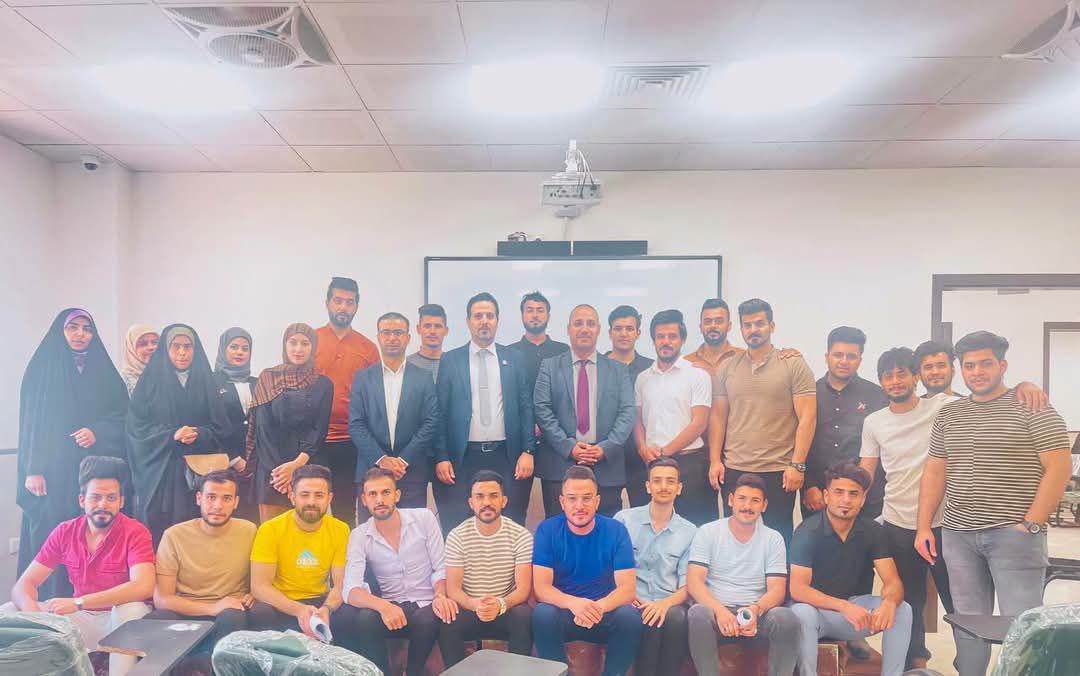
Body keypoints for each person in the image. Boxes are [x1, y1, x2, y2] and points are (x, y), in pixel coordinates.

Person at [916, 331, 1071, 676]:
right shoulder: (949, 414)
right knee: (968, 624)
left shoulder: (1032, 406)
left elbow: (1059, 467)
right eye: (969, 365)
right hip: (958, 535)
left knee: (1024, 625)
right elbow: (935, 472)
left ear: (1002, 365)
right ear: (961, 369)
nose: (977, 372)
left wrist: (1031, 522)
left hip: (1013, 535)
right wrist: (924, 525)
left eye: (985, 363)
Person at [6, 456, 154, 676]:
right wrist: (35, 615)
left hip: (121, 619)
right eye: (96, 497)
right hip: (84, 618)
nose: (103, 504)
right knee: (9, 611)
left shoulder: (135, 531)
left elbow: (143, 586)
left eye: (111, 498)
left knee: (130, 609)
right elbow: (24, 585)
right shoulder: (65, 531)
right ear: (82, 500)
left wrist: (79, 602)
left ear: (121, 502)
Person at [18, 309, 129, 599]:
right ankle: (45, 602)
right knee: (52, 531)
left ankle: (87, 599)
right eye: (73, 328)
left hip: (90, 470)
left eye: (87, 328)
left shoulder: (103, 370)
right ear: (61, 331)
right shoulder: (42, 368)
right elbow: (31, 421)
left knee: (88, 530)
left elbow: (123, 415)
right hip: (52, 470)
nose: (81, 334)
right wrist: (33, 469)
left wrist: (97, 431)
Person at [789, 463, 912, 676]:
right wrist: (843, 606)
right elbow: (798, 589)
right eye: (839, 492)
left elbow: (893, 582)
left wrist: (889, 603)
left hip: (855, 613)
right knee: (801, 612)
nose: (846, 500)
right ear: (826, 496)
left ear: (863, 499)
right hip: (818, 614)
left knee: (903, 609)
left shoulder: (873, 531)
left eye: (853, 494)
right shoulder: (807, 531)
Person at [711, 298, 816, 544]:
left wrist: (798, 465)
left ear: (772, 326)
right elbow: (718, 417)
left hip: (778, 470)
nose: (753, 330)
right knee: (735, 538)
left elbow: (808, 417)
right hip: (735, 467)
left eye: (759, 323)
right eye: (747, 325)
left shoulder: (793, 363)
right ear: (740, 329)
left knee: (777, 539)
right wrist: (715, 460)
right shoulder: (727, 367)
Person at [434, 292, 535, 532]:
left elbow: (526, 407)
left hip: (506, 456)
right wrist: (441, 456)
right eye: (478, 316)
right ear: (468, 321)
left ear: (497, 320)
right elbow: (440, 413)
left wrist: (528, 450)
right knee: (459, 525)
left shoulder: (515, 359)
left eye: (490, 316)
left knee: (510, 523)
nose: (484, 321)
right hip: (463, 458)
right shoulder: (450, 360)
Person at [336, 468, 452, 676]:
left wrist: (440, 595)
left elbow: (440, 567)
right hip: (392, 606)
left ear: (397, 495)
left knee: (429, 618)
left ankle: (413, 672)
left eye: (386, 492)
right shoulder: (359, 535)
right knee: (365, 618)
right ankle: (380, 673)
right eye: (373, 494)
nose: (380, 500)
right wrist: (383, 606)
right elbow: (350, 590)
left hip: (427, 603)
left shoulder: (424, 518)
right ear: (364, 500)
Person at [146, 470, 269, 662]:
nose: (218, 506)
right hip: (186, 609)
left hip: (230, 610)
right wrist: (212, 608)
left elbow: (263, 575)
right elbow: (162, 598)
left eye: (226, 498)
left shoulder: (249, 530)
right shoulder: (174, 535)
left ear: (236, 502)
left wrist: (255, 592)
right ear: (199, 498)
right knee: (154, 621)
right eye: (211, 497)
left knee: (234, 617)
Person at [532, 466, 643, 676]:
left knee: (629, 616)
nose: (579, 506)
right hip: (566, 613)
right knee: (542, 613)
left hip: (603, 612)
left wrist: (597, 608)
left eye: (587, 498)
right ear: (562, 502)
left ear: (597, 501)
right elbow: (541, 588)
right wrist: (574, 604)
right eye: (572, 498)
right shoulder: (547, 530)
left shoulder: (616, 530)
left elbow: (627, 590)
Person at [127, 323, 232, 544]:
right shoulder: (150, 382)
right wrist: (171, 435)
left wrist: (199, 433)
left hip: (198, 472)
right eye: (176, 346)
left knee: (196, 534)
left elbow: (222, 428)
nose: (182, 352)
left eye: (188, 346)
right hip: (161, 473)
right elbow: (136, 428)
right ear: (166, 349)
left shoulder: (206, 381)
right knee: (160, 533)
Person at [686, 473, 800, 676]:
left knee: (786, 618)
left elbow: (777, 589)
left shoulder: (773, 538)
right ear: (731, 500)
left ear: (764, 505)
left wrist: (755, 610)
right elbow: (694, 582)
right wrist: (720, 611)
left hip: (756, 613)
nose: (747, 506)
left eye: (755, 500)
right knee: (698, 613)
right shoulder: (708, 532)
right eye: (742, 498)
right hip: (717, 612)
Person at [535, 304, 636, 518]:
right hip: (560, 465)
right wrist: (569, 447)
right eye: (578, 323)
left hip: (606, 468)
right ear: (568, 329)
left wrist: (605, 448)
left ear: (598, 329)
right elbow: (542, 410)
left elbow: (627, 412)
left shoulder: (618, 370)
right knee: (560, 531)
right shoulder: (549, 367)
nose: (584, 329)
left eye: (590, 324)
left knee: (605, 530)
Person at [439, 470, 534, 667]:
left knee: (524, 616)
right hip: (470, 607)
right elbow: (453, 589)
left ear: (504, 501)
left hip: (506, 607)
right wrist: (474, 604)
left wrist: (500, 604)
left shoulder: (521, 535)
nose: (486, 502)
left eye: (493, 496)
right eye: (479, 497)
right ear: (471, 502)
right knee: (448, 619)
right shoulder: (457, 536)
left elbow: (523, 589)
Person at [248, 464, 351, 641]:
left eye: (319, 495)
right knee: (260, 613)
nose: (311, 502)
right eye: (304, 495)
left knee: (354, 614)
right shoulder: (270, 529)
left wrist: (327, 609)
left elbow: (341, 584)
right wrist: (298, 610)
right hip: (281, 602)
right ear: (292, 496)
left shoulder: (340, 529)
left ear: (329, 498)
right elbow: (259, 587)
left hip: (320, 601)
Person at [614, 458, 696, 676]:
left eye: (670, 481)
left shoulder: (690, 531)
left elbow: (688, 585)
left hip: (669, 602)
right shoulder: (624, 520)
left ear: (679, 488)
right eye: (657, 481)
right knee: (646, 618)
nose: (663, 487)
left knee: (674, 618)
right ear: (648, 486)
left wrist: (662, 605)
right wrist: (630, 596)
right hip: (630, 599)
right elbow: (609, 569)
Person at [351, 312, 439, 512]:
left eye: (398, 332)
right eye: (386, 332)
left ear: (408, 337)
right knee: (371, 530)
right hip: (371, 472)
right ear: (378, 337)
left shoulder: (423, 377)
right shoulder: (362, 378)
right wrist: (381, 460)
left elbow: (431, 421)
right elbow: (356, 424)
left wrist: (403, 460)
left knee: (413, 529)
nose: (392, 338)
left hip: (411, 472)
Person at [634, 309, 714, 526]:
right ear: (653, 340)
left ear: (682, 339)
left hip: (689, 464)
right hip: (651, 463)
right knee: (654, 526)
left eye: (672, 336)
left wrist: (664, 452)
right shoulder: (643, 379)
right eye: (660, 337)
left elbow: (699, 423)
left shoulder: (698, 375)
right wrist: (642, 448)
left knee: (692, 527)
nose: (666, 342)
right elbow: (637, 420)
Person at [247, 324, 334, 522]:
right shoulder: (268, 378)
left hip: (309, 469)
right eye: (293, 342)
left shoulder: (323, 384)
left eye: (305, 343)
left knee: (311, 537)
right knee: (274, 536)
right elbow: (263, 430)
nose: (298, 349)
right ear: (284, 345)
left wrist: (296, 466)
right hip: (272, 475)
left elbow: (319, 429)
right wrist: (281, 475)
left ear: (313, 347)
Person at [803, 327, 887, 521]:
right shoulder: (808, 394)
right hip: (817, 495)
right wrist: (808, 485)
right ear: (827, 357)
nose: (844, 361)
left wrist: (863, 492)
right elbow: (797, 442)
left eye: (851, 356)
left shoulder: (877, 395)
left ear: (860, 359)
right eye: (838, 355)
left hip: (865, 498)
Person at [315, 276, 379, 527]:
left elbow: (375, 400)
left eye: (349, 302)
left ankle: (347, 553)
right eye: (338, 301)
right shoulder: (311, 340)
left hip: (351, 442)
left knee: (345, 512)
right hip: (313, 442)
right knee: (312, 507)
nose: (343, 307)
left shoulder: (368, 348)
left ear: (356, 307)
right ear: (327, 303)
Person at [604, 305, 654, 508]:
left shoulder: (652, 368)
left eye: (629, 328)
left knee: (643, 514)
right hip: (606, 454)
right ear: (609, 332)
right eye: (618, 328)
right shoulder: (597, 366)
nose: (623, 334)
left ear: (638, 333)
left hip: (642, 454)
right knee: (606, 514)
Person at [214, 327, 257, 521]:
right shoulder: (211, 383)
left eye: (245, 348)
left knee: (252, 520)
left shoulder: (258, 382)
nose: (240, 352)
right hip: (224, 463)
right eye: (234, 347)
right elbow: (211, 423)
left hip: (255, 466)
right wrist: (234, 459)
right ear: (223, 349)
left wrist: (254, 460)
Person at [509, 290, 570, 394]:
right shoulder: (509, 353)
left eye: (540, 310)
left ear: (548, 317)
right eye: (530, 311)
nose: (535, 315)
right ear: (522, 316)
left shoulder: (563, 351)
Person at [406, 303, 448, 383]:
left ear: (446, 330)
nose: (432, 331)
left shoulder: (454, 365)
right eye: (427, 326)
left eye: (438, 326)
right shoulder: (406, 364)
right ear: (418, 329)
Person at [120, 324, 159, 395]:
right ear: (131, 350)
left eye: (154, 342)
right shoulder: (122, 382)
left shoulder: (167, 374)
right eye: (143, 344)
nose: (151, 347)